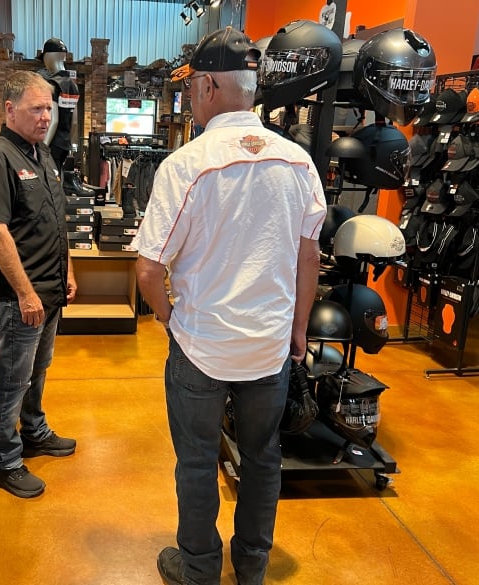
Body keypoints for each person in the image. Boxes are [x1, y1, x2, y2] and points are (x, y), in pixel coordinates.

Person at [132, 27, 326, 585]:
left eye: (193, 86)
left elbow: (149, 269)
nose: (191, 96)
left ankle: (197, 570)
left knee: (196, 462)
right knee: (262, 460)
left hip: (202, 345)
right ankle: (252, 569)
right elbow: (306, 257)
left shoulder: (186, 165)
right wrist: (297, 330)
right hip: (268, 345)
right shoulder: (299, 163)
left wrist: (172, 321)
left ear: (211, 85)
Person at [0, 70, 77, 499]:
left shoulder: (42, 155)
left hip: (48, 291)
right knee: (13, 378)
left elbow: (55, 219)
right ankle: (5, 461)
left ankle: (33, 431)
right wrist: (25, 292)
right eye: (37, 109)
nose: (45, 117)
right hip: (22, 298)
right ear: (10, 109)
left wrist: (67, 270)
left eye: (49, 109)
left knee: (38, 369)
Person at [38, 37, 79, 171]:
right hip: (65, 145)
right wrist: (72, 144)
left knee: (50, 182)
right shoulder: (73, 86)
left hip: (53, 145)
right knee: (57, 179)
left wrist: (43, 148)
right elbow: (74, 122)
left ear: (48, 57)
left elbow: (53, 120)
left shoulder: (53, 84)